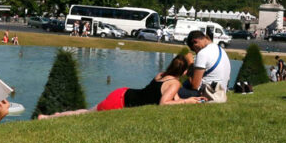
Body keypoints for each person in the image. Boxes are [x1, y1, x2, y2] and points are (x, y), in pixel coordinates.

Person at [39, 55, 202, 117]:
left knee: (87, 111)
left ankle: (55, 115)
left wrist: (192, 99)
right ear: (185, 71)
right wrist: (187, 102)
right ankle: (51, 117)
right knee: (87, 113)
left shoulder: (161, 75)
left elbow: (175, 98)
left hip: (123, 93)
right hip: (121, 101)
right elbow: (164, 103)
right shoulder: (174, 83)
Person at [180, 30, 230, 103]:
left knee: (172, 90)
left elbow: (194, 86)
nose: (196, 52)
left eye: (194, 49)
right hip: (221, 93)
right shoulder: (220, 49)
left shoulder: (202, 54)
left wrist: (190, 63)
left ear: (195, 41)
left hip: (207, 94)